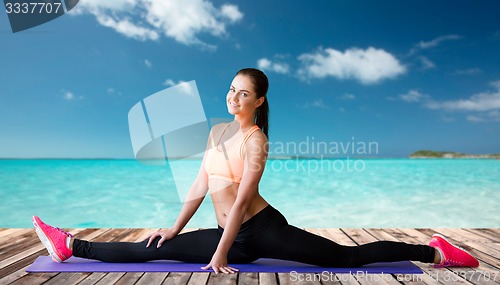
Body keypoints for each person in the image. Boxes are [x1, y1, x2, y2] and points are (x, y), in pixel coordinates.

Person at [33, 68, 479, 274]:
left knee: (346, 258)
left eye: (243, 93)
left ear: (259, 101)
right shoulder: (216, 134)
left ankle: (432, 251)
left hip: (262, 230)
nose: (234, 97)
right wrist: (173, 228)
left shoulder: (255, 140)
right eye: (231, 90)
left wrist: (222, 252)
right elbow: (199, 184)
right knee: (156, 249)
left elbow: (244, 199)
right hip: (229, 234)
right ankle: (71, 245)